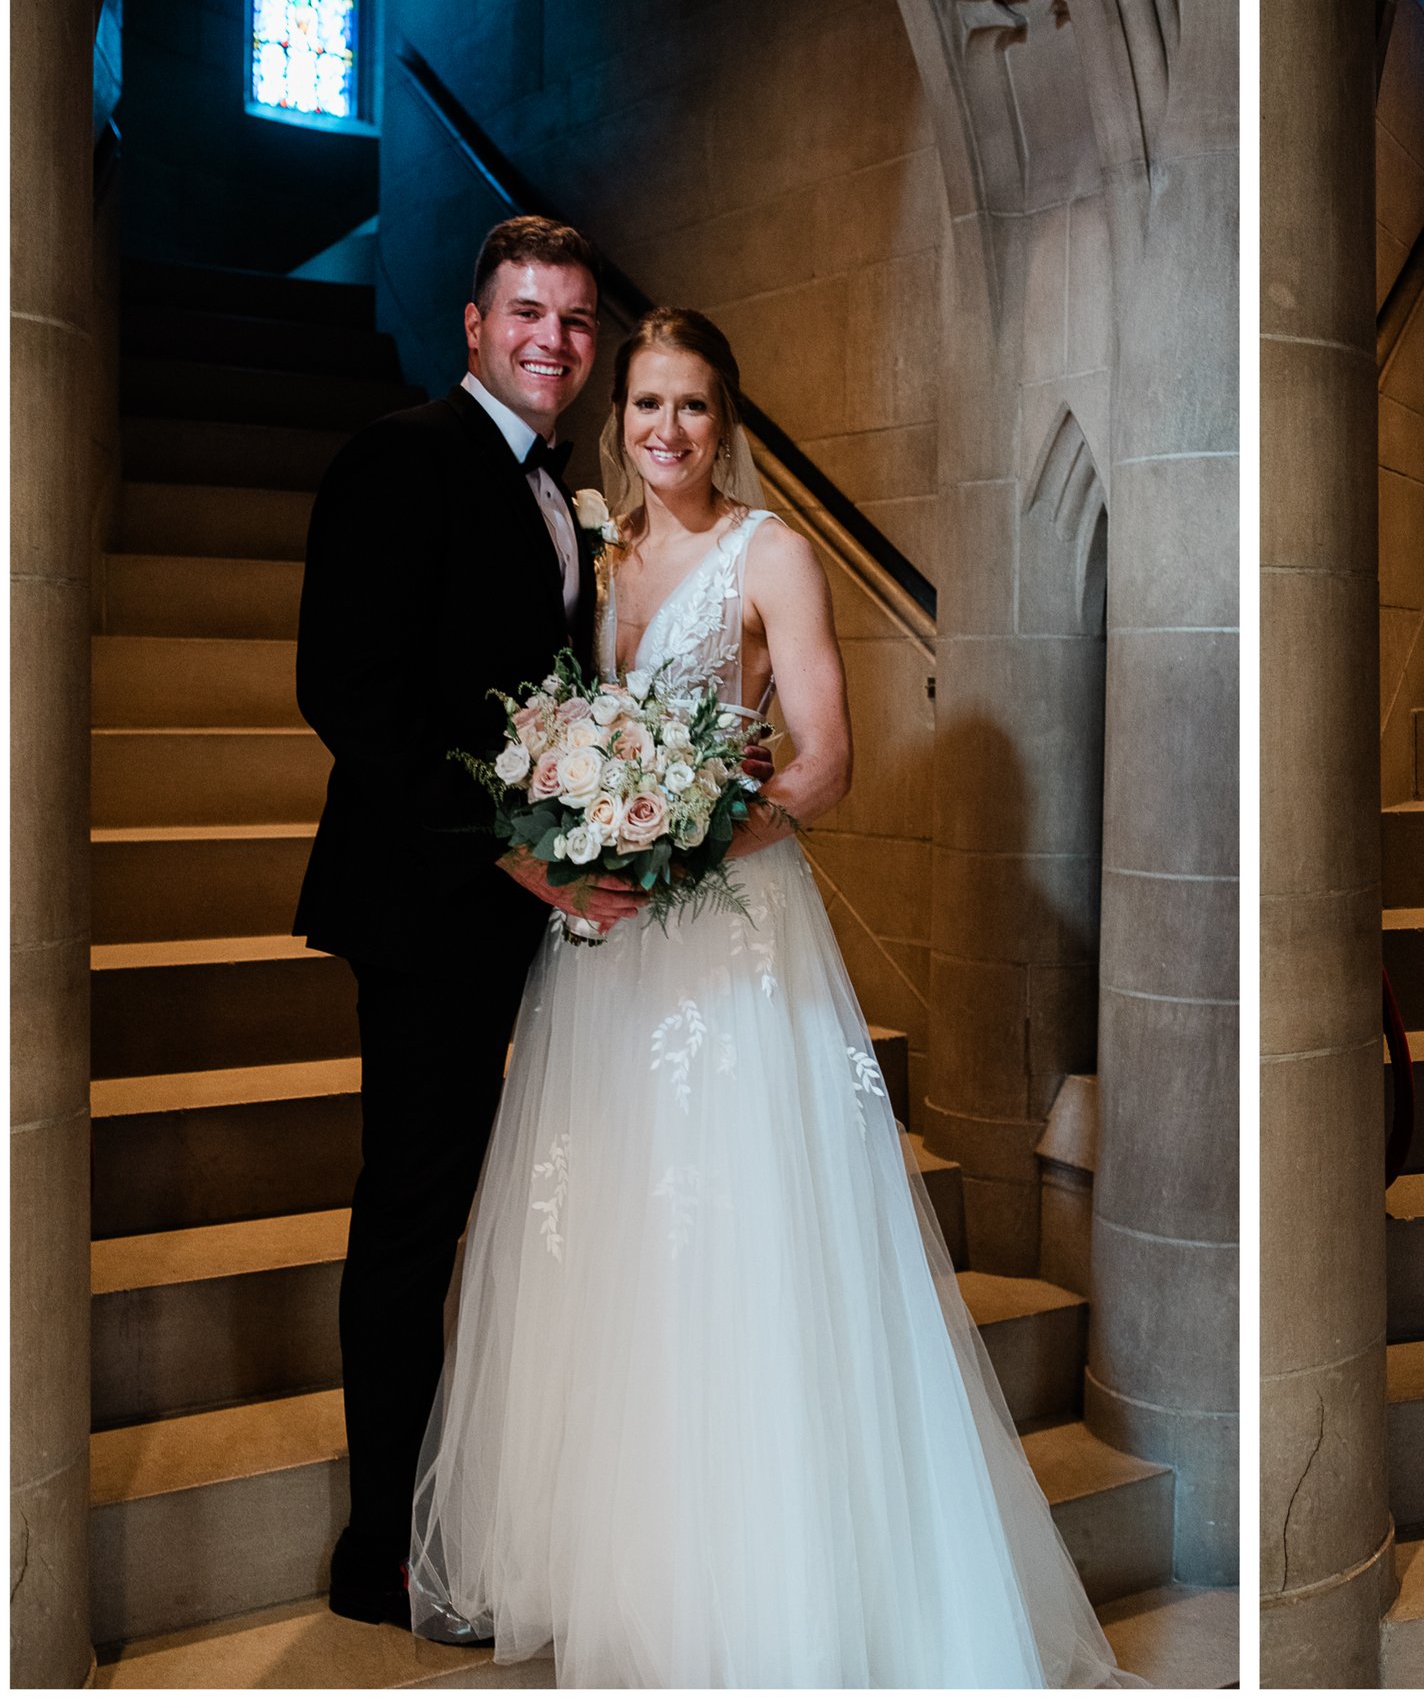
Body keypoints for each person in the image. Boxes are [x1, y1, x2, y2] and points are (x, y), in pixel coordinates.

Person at [405, 308, 1131, 1687]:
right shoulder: (594, 552)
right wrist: (590, 836)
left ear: (726, 422)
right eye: (644, 406)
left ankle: (773, 1591)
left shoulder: (774, 553)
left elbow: (825, 760)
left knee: (742, 1241)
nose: (664, 430)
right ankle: (627, 1574)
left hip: (729, 940)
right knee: (609, 1243)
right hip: (604, 953)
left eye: (690, 406)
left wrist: (680, 835)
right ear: (614, 419)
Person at [296, 215, 650, 1630]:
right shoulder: (400, 456)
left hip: (535, 915)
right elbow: (350, 696)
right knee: (414, 1216)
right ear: (471, 322)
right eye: (526, 312)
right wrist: (510, 854)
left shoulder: (566, 496)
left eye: (573, 318)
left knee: (525, 1216)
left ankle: (493, 1494)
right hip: (430, 906)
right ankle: (381, 1543)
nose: (553, 339)